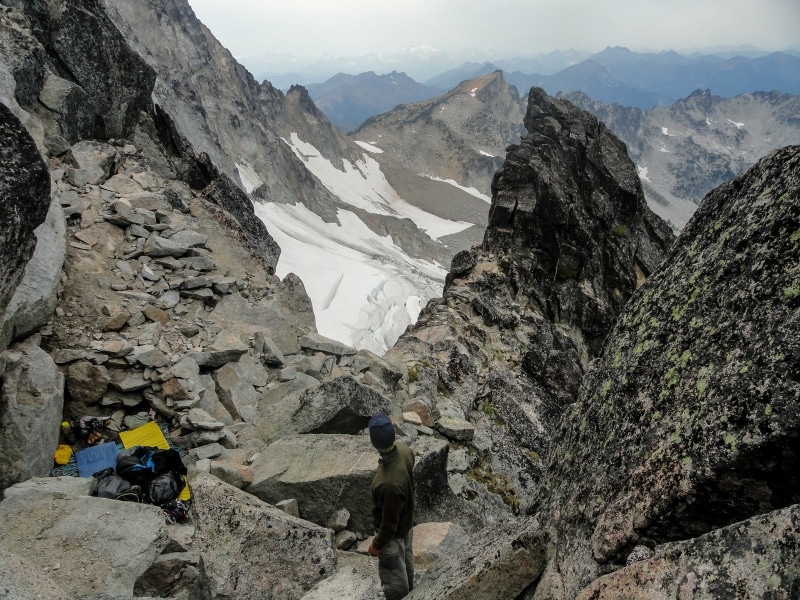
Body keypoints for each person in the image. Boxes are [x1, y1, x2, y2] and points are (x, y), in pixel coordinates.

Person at [367, 414, 415, 599]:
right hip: (407, 525)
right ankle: (412, 591)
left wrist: (377, 544)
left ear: (374, 444)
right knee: (407, 560)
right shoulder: (405, 451)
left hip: (391, 537)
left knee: (394, 576)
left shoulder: (387, 482)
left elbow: (388, 523)